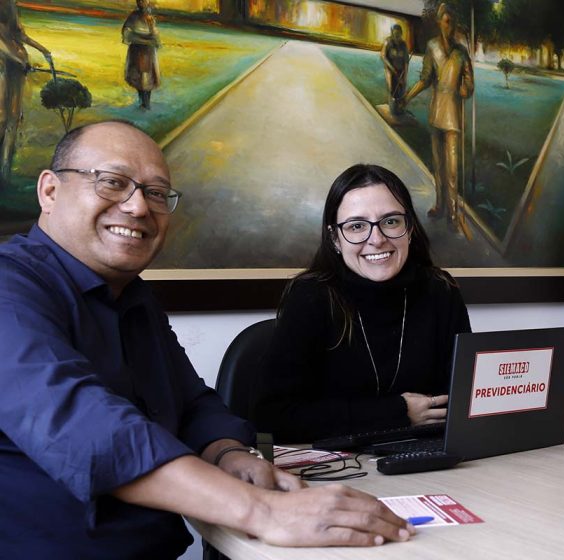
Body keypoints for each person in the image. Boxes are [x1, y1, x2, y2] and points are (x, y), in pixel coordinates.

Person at [0, 121, 413, 557]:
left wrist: (229, 456)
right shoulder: (11, 287)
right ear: (49, 191)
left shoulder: (133, 296)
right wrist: (263, 511)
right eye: (113, 183)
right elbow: (85, 428)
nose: (139, 206)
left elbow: (193, 403)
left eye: (156, 193)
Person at [252, 163, 471, 442]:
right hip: (337, 467)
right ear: (335, 238)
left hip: (426, 459)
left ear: (410, 228)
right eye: (357, 226)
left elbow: (462, 402)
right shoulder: (310, 296)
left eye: (391, 221)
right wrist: (397, 412)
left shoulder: (440, 290)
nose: (377, 239)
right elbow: (272, 417)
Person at [401, 3, 473, 232]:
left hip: (453, 116)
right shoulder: (432, 47)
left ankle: (453, 212)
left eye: (452, 22)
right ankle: (440, 204)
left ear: (455, 25)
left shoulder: (462, 52)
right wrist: (407, 97)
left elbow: (470, 83)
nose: (448, 25)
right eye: (445, 21)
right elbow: (425, 78)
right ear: (440, 22)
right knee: (438, 165)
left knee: (452, 168)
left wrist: (466, 89)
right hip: (436, 113)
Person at [0, 0, 51, 185]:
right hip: (3, 68)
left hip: (16, 70)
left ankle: (5, 171)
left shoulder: (10, 4)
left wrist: (43, 50)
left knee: (13, 119)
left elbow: (18, 33)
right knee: (2, 118)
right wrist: (18, 59)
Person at [122, 0, 160, 110]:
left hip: (148, 52)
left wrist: (149, 38)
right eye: (140, 1)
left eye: (144, 1)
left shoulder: (150, 18)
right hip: (137, 51)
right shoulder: (133, 17)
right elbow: (126, 33)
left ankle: (146, 104)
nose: (142, 3)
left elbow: (155, 38)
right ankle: (143, 103)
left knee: (148, 79)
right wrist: (145, 38)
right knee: (138, 78)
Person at [380, 24, 409, 115]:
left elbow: (406, 61)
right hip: (390, 70)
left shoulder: (403, 45)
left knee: (401, 88)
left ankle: (400, 109)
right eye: (395, 34)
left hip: (401, 71)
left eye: (399, 34)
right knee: (392, 88)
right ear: (392, 33)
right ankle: (392, 108)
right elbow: (383, 56)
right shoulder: (388, 42)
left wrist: (404, 75)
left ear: (401, 34)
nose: (397, 36)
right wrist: (392, 69)